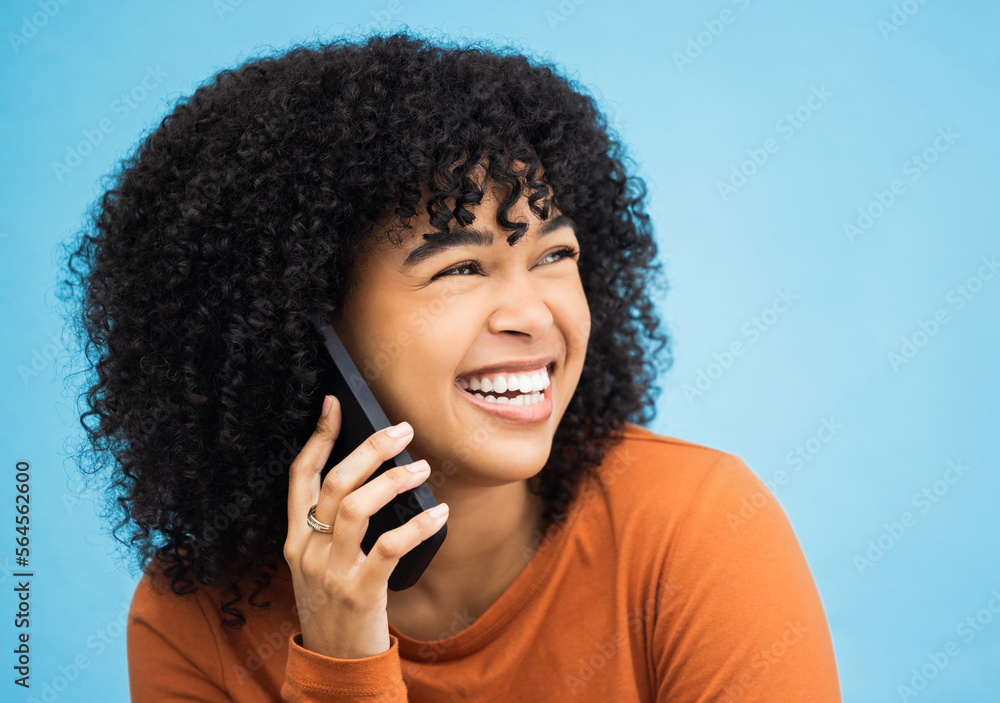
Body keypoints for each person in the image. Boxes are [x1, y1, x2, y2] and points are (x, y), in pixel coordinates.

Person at [61, 32, 842, 701]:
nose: (534, 316)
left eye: (555, 256)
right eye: (462, 268)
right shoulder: (196, 619)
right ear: (304, 321)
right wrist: (342, 660)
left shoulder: (695, 529)